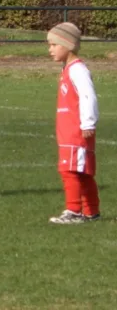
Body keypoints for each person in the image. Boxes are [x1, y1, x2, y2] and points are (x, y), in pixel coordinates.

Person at [46, 22, 100, 224]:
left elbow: (88, 96)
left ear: (68, 45)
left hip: (76, 132)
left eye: (54, 44)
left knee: (68, 171)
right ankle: (91, 211)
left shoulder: (78, 70)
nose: (50, 49)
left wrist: (88, 123)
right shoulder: (68, 69)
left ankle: (74, 211)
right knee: (82, 172)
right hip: (69, 131)